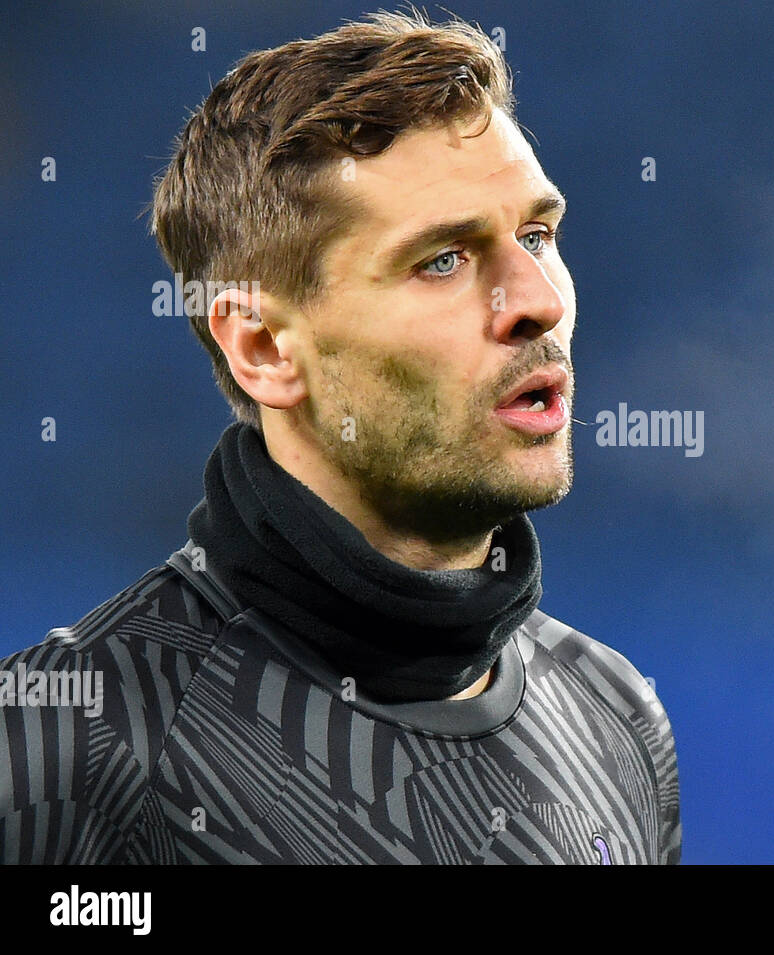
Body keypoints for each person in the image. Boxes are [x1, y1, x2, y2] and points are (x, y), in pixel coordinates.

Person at [0, 10, 679, 865]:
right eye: (444, 259)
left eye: (538, 235)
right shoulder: (70, 740)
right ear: (264, 348)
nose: (538, 298)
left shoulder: (616, 716)